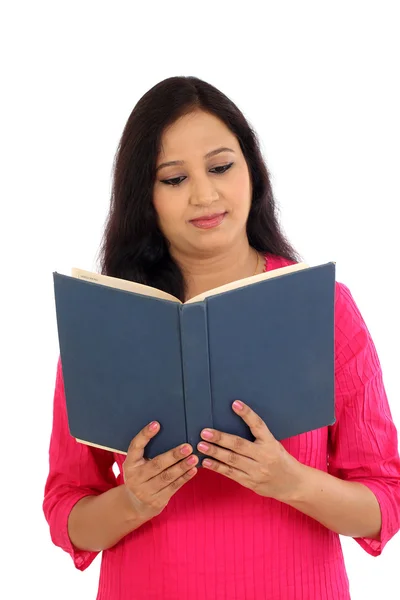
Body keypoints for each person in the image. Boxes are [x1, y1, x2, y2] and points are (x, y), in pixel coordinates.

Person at [43, 76, 400, 600]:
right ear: (146, 195)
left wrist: (291, 481)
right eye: (173, 178)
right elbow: (66, 511)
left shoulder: (322, 307)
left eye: (220, 167)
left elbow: (384, 502)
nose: (205, 194)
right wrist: (134, 502)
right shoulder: (107, 319)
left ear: (252, 170)